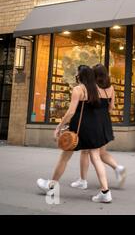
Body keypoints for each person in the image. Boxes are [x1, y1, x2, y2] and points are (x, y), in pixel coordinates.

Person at [36, 65, 113, 203]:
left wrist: (59, 126)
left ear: (80, 76)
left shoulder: (78, 89)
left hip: (79, 129)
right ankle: (105, 191)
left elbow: (71, 112)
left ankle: (51, 186)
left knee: (64, 157)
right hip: (95, 129)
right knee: (96, 157)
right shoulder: (97, 90)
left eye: (77, 74)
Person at [70, 64, 126, 190]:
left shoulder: (93, 87)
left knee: (85, 152)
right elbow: (111, 108)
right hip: (105, 122)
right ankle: (118, 168)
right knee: (101, 152)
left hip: (92, 122)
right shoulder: (111, 88)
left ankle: (83, 180)